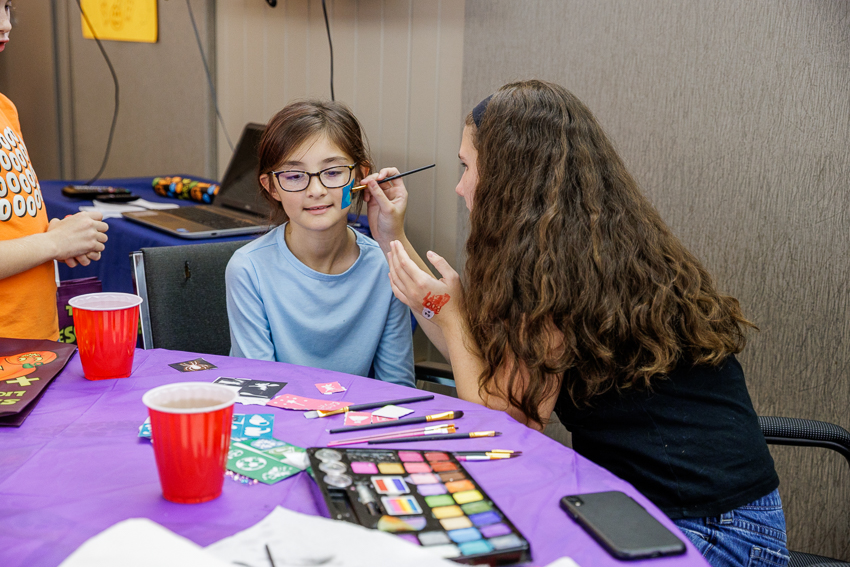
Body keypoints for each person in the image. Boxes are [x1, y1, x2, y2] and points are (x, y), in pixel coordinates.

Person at [361, 80, 788, 566]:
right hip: (670, 508)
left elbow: (507, 420)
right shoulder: (583, 248)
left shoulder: (553, 277)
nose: (460, 185)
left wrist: (451, 309)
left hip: (712, 532)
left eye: (466, 167)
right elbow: (487, 363)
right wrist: (391, 232)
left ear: (506, 177)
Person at [225, 100, 414, 387]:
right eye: (294, 175)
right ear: (271, 187)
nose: (316, 190)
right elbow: (259, 391)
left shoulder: (384, 266)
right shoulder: (248, 268)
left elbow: (398, 389)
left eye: (334, 172)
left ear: (360, 177)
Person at [0, 0, 109, 341]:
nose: (6, 25)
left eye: (7, 8)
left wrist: (58, 236)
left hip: (33, 343)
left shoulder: (5, 108)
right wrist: (53, 243)